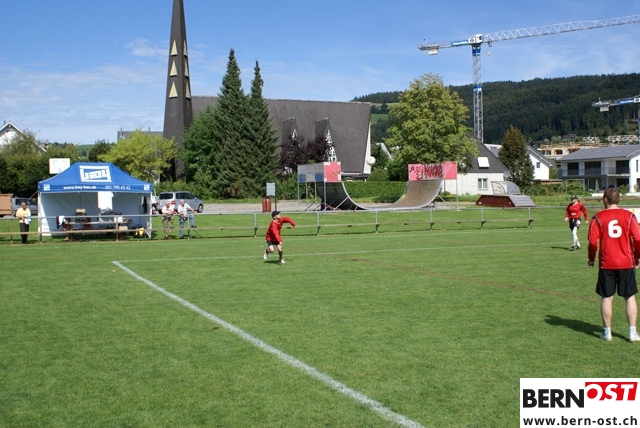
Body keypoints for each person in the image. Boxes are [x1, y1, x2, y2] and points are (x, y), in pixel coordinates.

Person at [587, 187, 640, 342]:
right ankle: (632, 333)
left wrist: (591, 258)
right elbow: (637, 239)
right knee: (629, 297)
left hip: (607, 264)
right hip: (626, 263)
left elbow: (592, 242)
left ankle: (607, 333)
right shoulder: (629, 216)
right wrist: (637, 257)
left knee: (607, 297)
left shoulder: (598, 217)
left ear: (605, 199)